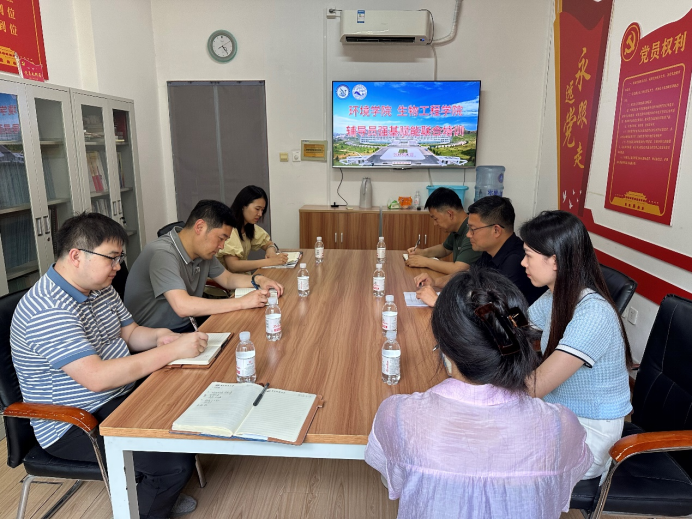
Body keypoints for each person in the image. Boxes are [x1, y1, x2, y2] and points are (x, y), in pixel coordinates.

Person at [10, 213, 208, 518]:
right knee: (173, 464)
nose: (118, 267)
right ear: (76, 256)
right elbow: (97, 378)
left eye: (120, 258)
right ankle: (150, 500)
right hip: (74, 423)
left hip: (115, 396)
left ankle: (154, 491)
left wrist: (161, 337)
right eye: (112, 258)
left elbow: (129, 333)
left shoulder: (100, 287)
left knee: (187, 418)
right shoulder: (47, 309)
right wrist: (171, 352)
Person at [365, 268, 592, 519]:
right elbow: (562, 487)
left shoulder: (398, 414)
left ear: (443, 344)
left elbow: (396, 481)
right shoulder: (560, 424)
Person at [520, 210, 633, 482]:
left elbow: (534, 387)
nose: (523, 263)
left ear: (555, 260)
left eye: (528, 255)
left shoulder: (593, 314)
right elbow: (517, 325)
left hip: (588, 436)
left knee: (496, 450)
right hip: (559, 415)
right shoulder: (558, 295)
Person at [124, 200, 283, 333]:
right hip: (156, 338)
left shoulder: (202, 252)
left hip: (188, 326)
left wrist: (259, 279)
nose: (222, 246)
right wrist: (242, 302)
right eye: (221, 238)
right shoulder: (162, 253)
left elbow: (227, 279)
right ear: (200, 227)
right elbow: (182, 306)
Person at [414, 196, 546, 307]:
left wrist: (439, 303)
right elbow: (466, 277)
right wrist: (435, 282)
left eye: (473, 229)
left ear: (496, 230)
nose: (468, 235)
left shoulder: (516, 261)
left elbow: (492, 310)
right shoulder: (489, 251)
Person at [404, 187, 481, 275]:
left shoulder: (472, 231)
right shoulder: (458, 227)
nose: (435, 224)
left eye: (435, 219)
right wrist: (423, 252)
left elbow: (459, 269)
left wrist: (425, 261)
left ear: (450, 214)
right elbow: (445, 249)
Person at [217, 185, 288, 273]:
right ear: (243, 206)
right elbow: (233, 266)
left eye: (262, 210)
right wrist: (270, 262)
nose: (260, 214)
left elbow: (268, 243)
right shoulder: (229, 228)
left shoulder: (249, 226)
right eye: (257, 209)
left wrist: (271, 250)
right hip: (227, 281)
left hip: (242, 278)